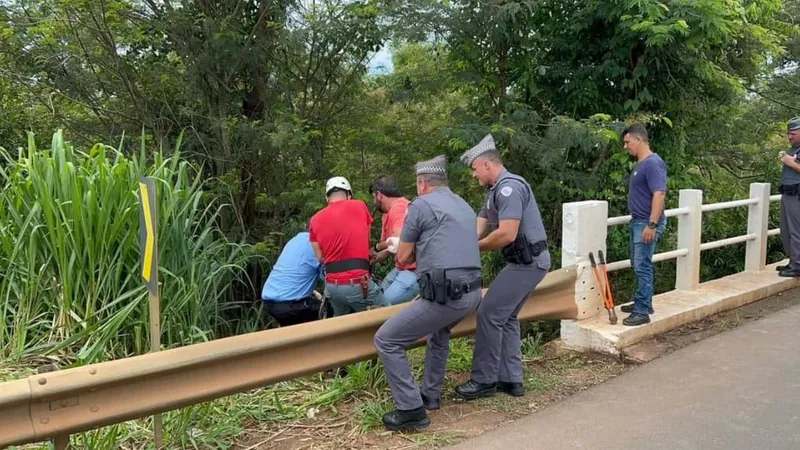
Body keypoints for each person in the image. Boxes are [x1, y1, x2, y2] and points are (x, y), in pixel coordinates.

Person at [374, 155, 482, 431]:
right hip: (471, 294)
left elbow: (405, 256)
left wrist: (397, 245)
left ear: (422, 184)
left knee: (386, 339)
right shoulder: (464, 205)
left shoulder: (420, 206)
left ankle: (411, 410)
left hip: (444, 296)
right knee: (439, 333)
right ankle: (429, 395)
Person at [454, 133, 550, 401]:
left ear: (487, 165)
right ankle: (511, 380)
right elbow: (478, 226)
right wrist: (458, 248)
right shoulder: (493, 192)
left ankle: (484, 380)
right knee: (505, 317)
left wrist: (475, 249)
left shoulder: (509, 188)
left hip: (528, 263)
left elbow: (507, 233)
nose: (474, 175)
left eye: (475, 169)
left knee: (488, 312)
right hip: (525, 262)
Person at [309, 176, 388, 316]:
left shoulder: (314, 220)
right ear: (349, 195)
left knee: (345, 329)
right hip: (358, 285)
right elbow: (366, 241)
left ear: (327, 198)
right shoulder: (359, 206)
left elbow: (320, 258)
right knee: (389, 317)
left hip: (332, 288)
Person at [618, 123, 667, 326]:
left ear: (639, 139)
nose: (625, 146)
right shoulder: (642, 164)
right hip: (638, 221)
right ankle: (643, 302)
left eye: (627, 142)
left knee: (642, 265)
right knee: (638, 264)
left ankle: (642, 311)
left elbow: (660, 193)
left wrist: (652, 224)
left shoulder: (652, 163)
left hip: (646, 223)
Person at [260, 231, 331, 326]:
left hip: (270, 301)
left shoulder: (297, 239)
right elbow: (332, 280)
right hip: (292, 305)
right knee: (332, 310)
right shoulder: (318, 246)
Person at [369, 175, 420, 305]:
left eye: (373, 197)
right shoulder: (388, 213)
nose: (374, 202)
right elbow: (397, 246)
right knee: (377, 296)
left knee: (383, 306)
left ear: (379, 195)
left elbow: (398, 239)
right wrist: (380, 256)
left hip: (415, 270)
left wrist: (377, 248)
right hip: (401, 268)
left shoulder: (399, 208)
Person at [777, 118, 800, 277]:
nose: (789, 137)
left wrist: (790, 163)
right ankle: (793, 261)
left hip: (797, 195)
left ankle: (797, 265)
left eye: (793, 133)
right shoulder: (794, 149)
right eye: (788, 134)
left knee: (796, 231)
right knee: (786, 230)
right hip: (787, 193)